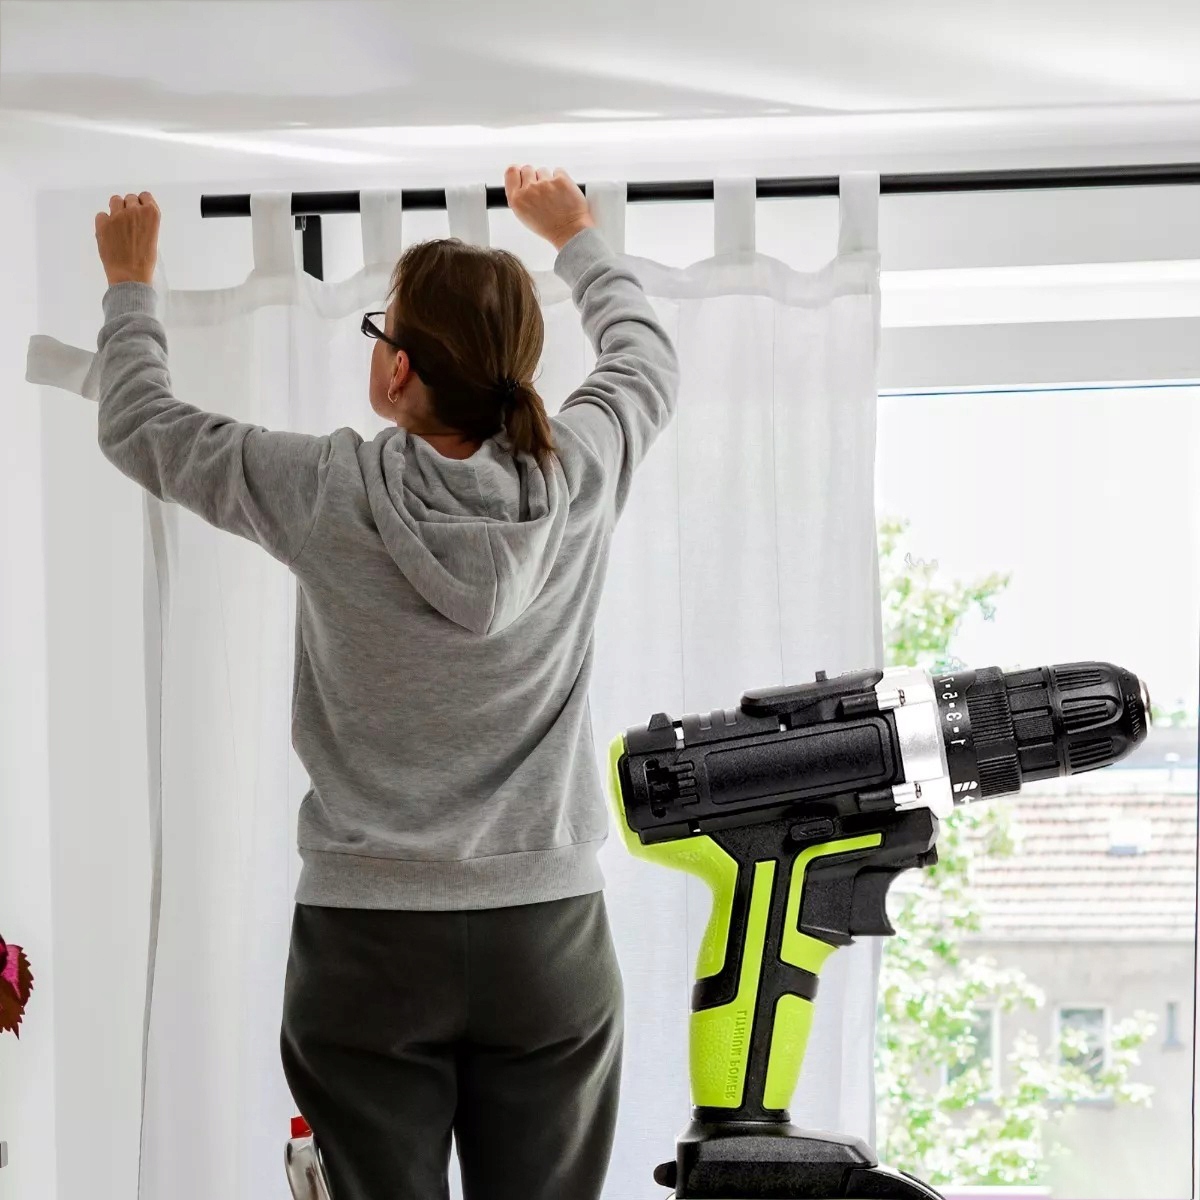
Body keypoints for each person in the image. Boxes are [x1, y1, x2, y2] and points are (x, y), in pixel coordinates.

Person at [93, 164, 681, 1199]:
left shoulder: (327, 488)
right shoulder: (580, 471)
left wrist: (131, 284)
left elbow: (141, 425)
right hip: (547, 942)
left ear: (399, 370)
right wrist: (575, 234)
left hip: (366, 946)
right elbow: (645, 358)